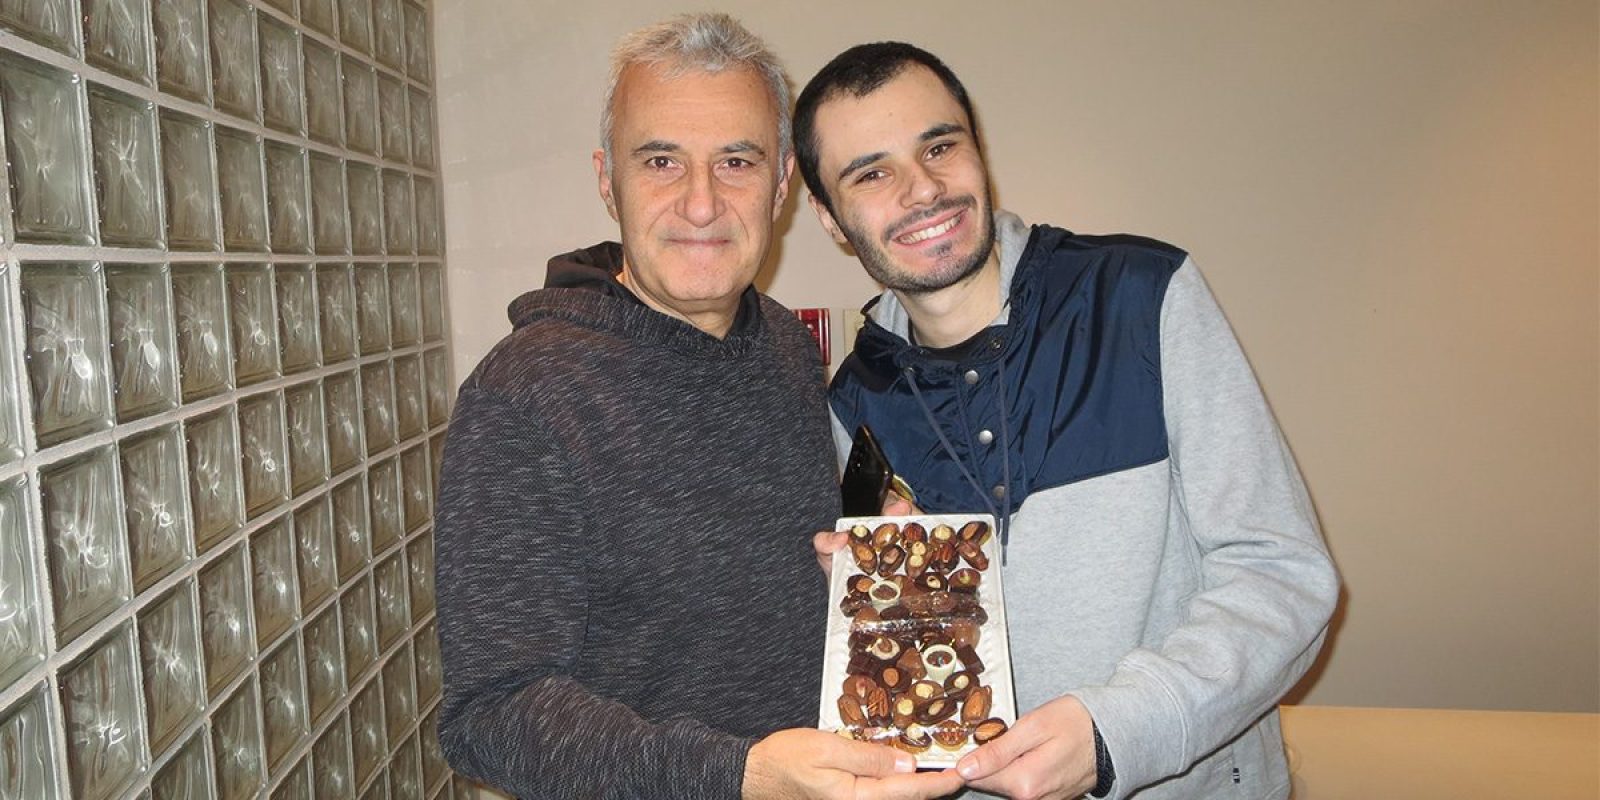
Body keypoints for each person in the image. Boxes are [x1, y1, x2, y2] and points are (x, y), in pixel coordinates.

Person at [432, 17, 963, 800]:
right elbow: (489, 716)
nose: (702, 203)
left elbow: (752, 587)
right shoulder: (525, 395)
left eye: (736, 162)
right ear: (608, 180)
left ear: (782, 184)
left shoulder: (784, 344)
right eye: (661, 161)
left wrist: (865, 560)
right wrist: (740, 775)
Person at [797, 43, 1340, 800]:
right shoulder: (855, 401)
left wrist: (1115, 733)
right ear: (829, 218)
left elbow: (1282, 576)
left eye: (940, 147)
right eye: (872, 174)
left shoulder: (1141, 297)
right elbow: (930, 671)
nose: (923, 189)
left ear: (978, 151)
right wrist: (878, 600)